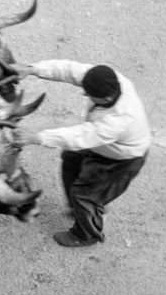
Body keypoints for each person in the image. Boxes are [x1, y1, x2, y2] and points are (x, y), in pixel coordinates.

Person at [13, 60, 149, 248]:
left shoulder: (120, 119)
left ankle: (86, 234)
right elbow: (70, 70)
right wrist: (32, 69)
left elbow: (81, 136)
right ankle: (82, 208)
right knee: (71, 158)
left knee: (85, 195)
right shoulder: (112, 80)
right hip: (101, 145)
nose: (84, 94)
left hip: (121, 160)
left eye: (89, 94)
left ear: (107, 99)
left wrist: (35, 137)